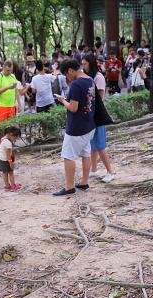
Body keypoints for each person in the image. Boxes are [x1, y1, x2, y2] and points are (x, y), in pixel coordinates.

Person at [53, 59, 96, 196]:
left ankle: (69, 186)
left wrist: (62, 100)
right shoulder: (90, 80)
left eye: (67, 74)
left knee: (68, 156)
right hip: (89, 124)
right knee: (85, 152)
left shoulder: (76, 84)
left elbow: (73, 108)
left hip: (76, 127)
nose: (67, 77)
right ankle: (84, 182)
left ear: (71, 70)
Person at [82, 54, 116, 183]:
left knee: (100, 145)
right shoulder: (90, 77)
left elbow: (100, 98)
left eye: (85, 64)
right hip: (92, 114)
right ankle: (94, 169)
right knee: (93, 144)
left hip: (98, 115)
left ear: (90, 63)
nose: (83, 66)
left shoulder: (98, 77)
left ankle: (110, 172)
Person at [0, 126, 22, 191]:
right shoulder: (8, 143)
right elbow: (8, 155)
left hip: (0, 159)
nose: (15, 139)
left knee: (5, 173)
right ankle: (13, 186)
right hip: (5, 160)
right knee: (11, 172)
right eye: (15, 137)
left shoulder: (3, 138)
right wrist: (11, 163)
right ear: (10, 134)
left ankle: (7, 186)